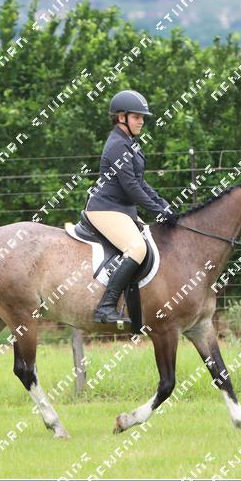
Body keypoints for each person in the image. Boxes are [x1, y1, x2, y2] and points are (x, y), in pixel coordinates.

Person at [84, 89, 179, 324]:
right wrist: (158, 211)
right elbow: (131, 188)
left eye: (142, 117)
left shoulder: (129, 144)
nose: (142, 121)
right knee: (137, 249)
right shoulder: (118, 145)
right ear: (121, 117)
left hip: (122, 210)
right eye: (137, 117)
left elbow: (140, 182)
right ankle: (106, 307)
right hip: (105, 209)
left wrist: (163, 205)